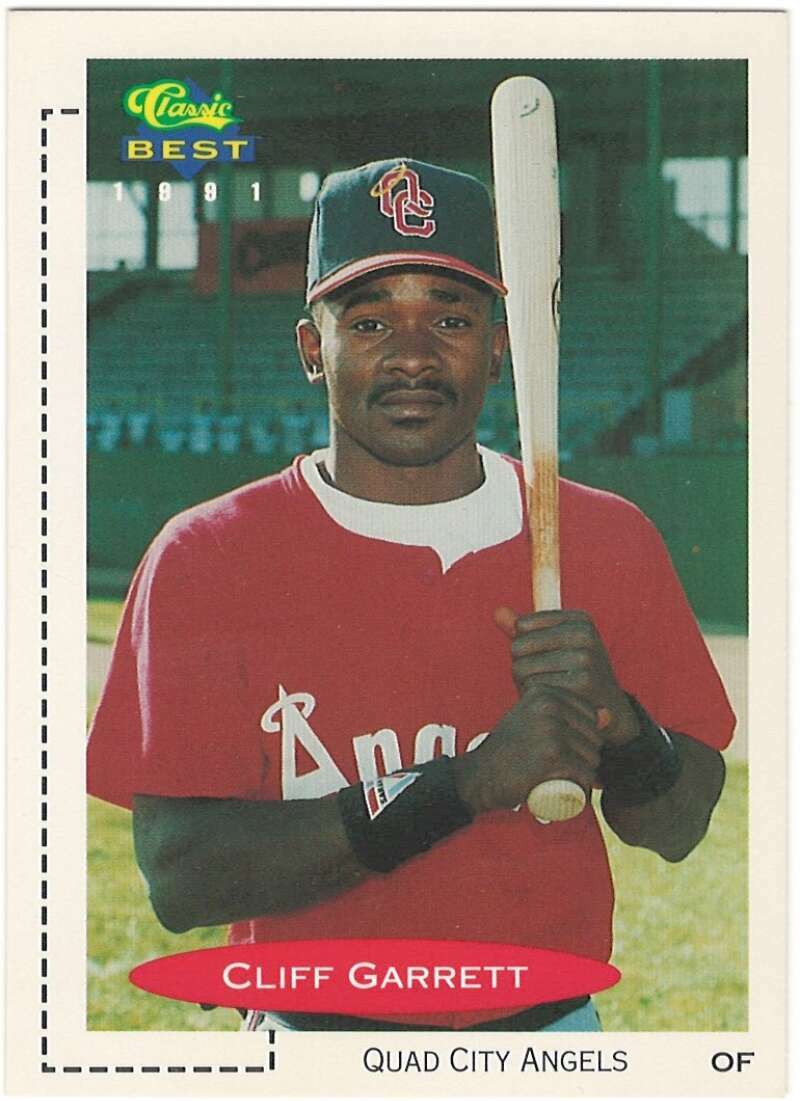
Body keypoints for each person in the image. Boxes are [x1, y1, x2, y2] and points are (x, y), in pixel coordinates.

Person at [87, 157, 735, 1034]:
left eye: (452, 317)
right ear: (312, 350)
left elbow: (680, 824)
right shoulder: (208, 556)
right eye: (370, 321)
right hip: (314, 1045)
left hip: (547, 1040)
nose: (414, 355)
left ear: (500, 347)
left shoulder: (607, 538)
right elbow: (183, 875)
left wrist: (622, 728)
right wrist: (467, 783)